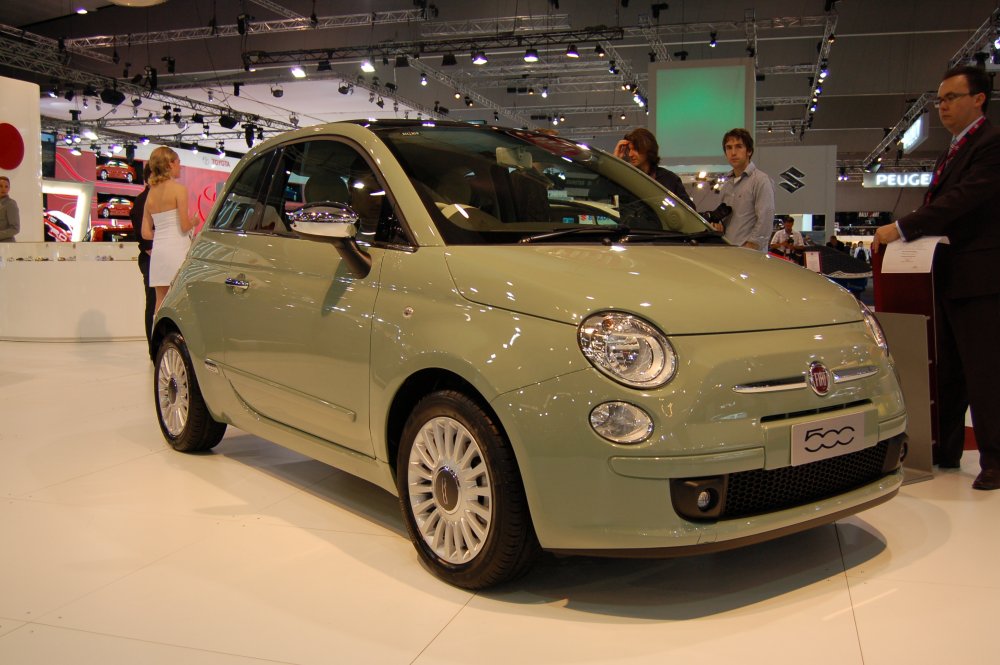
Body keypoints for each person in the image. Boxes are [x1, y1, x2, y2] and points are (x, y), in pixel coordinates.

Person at [872, 64, 1000, 491]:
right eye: (940, 100)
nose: (942, 107)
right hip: (947, 276)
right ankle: (945, 448)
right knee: (948, 368)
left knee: (985, 371)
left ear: (978, 99)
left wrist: (904, 227)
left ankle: (996, 461)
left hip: (981, 278)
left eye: (951, 98)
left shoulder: (991, 143)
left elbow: (964, 200)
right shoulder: (953, 149)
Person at [141, 147, 194, 313]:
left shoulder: (151, 194)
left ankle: (157, 337)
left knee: (160, 301)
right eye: (178, 162)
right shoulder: (179, 189)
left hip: (160, 252)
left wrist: (163, 233)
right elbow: (185, 226)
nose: (180, 166)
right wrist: (196, 221)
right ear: (170, 164)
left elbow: (146, 233)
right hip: (177, 249)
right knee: (181, 298)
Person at [716, 128, 774, 252]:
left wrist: (751, 247)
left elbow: (765, 219)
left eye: (739, 147)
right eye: (729, 148)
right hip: (728, 253)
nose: (733, 152)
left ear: (749, 151)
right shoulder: (726, 185)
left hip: (750, 256)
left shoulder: (761, 180)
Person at [614, 127, 695, 209]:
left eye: (635, 149)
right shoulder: (625, 180)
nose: (630, 154)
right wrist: (614, 162)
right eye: (629, 150)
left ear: (647, 148)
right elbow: (608, 203)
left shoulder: (669, 179)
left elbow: (689, 210)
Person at [132, 164, 155, 360]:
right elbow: (145, 239)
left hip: (159, 257)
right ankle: (153, 348)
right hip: (151, 259)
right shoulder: (142, 201)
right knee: (154, 302)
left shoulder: (156, 198)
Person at [0, 176, 20, 242]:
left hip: (6, 245)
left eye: (6, 186)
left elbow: (15, 228)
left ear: (9, 188)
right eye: (1, 186)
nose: (3, 189)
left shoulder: (10, 204)